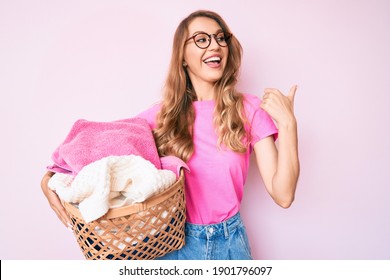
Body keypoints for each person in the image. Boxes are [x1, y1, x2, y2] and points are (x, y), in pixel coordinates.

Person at [41, 10, 299, 260]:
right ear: (183, 57)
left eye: (221, 38)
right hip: (171, 246)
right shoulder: (160, 116)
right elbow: (95, 146)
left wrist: (288, 125)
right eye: (201, 39)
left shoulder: (249, 110)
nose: (215, 46)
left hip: (230, 246)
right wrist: (50, 177)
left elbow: (283, 194)